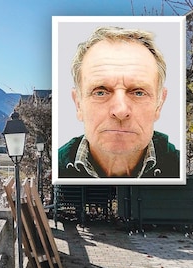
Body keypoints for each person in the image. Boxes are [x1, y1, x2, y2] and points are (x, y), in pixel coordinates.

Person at [58, 26, 180, 178]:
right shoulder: (57, 169)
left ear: (159, 104)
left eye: (138, 92)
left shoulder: (183, 170)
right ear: (78, 104)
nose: (121, 110)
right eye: (100, 92)